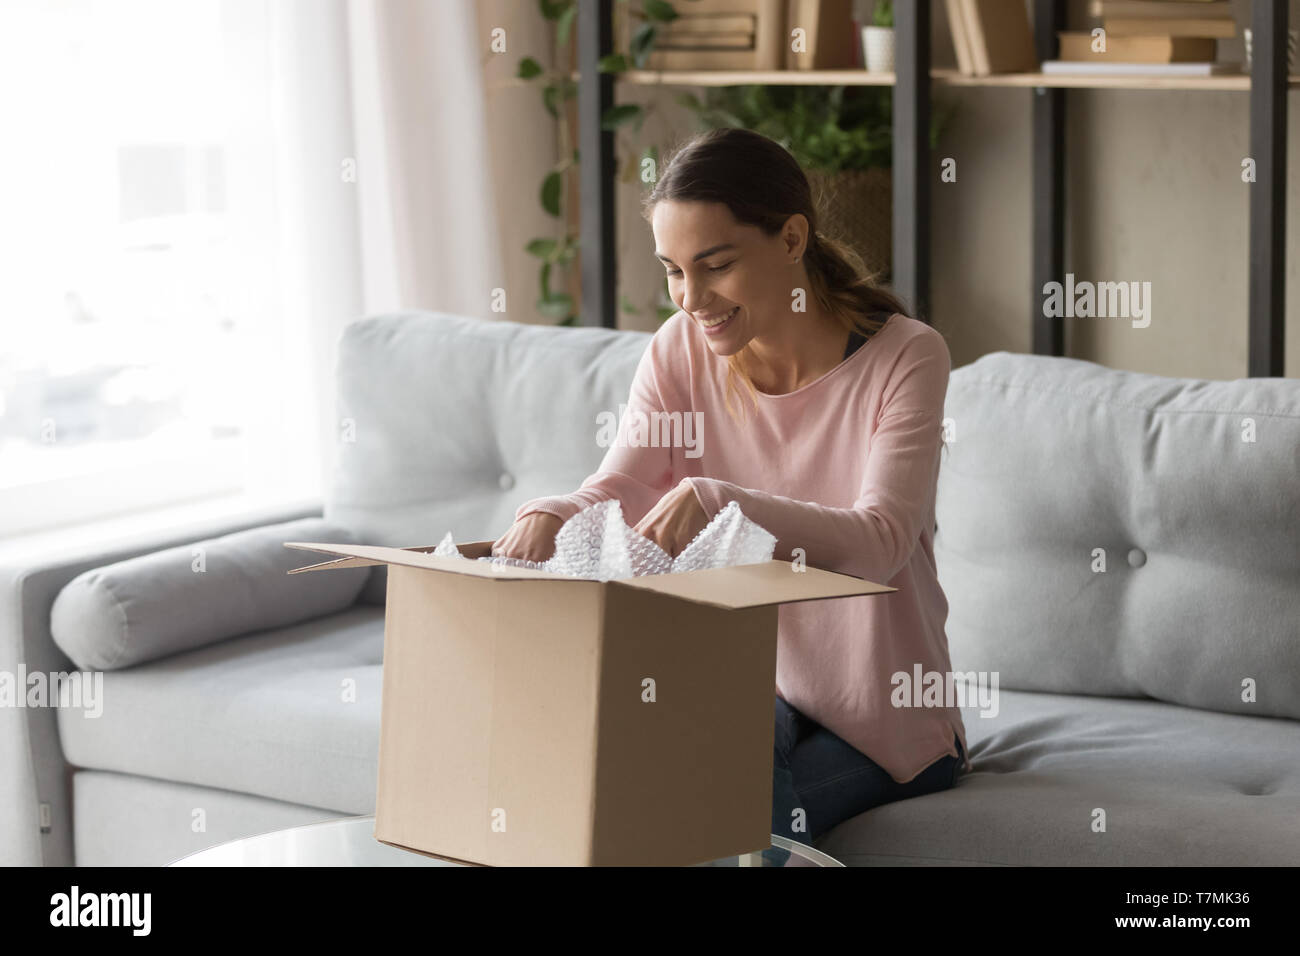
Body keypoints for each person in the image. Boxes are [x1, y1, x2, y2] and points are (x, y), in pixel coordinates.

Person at [493, 126, 971, 852]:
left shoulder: (906, 356)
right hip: (756, 693)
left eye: (714, 265)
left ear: (790, 239)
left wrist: (724, 500)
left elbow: (881, 542)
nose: (691, 298)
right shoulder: (680, 349)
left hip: (890, 719)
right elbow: (623, 482)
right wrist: (550, 514)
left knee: (714, 813)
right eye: (673, 271)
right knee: (639, 781)